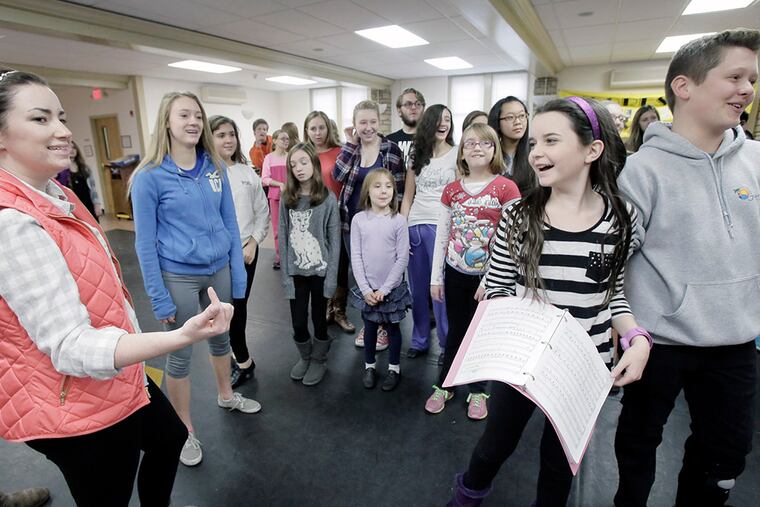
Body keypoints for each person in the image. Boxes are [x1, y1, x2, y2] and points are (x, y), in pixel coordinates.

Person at [0, 68, 235, 506]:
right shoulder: (13, 224)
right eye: (40, 119)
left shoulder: (57, 196)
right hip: (74, 405)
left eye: (62, 117)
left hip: (118, 377)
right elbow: (70, 344)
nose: (62, 130)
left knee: (168, 439)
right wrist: (180, 334)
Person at [446, 96, 652, 507]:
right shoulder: (518, 216)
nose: (536, 151)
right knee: (494, 445)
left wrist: (637, 338)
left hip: (584, 366)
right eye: (534, 142)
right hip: (523, 363)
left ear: (592, 150)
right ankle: (468, 494)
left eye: (551, 140)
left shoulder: (621, 219)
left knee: (559, 465)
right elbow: (500, 289)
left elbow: (613, 295)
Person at [614, 29, 760, 507]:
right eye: (735, 76)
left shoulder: (756, 160)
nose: (748, 90)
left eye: (753, 80)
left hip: (736, 341)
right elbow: (617, 259)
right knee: (637, 443)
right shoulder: (641, 170)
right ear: (684, 86)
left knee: (725, 456)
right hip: (659, 342)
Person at [130, 91, 261, 469]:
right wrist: (158, 297)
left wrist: (237, 279)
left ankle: (226, 395)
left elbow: (231, 227)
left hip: (218, 269)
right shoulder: (149, 177)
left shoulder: (213, 167)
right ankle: (184, 428)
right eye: (183, 115)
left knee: (222, 341)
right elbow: (144, 243)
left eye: (197, 116)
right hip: (178, 276)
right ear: (166, 123)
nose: (192, 122)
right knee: (181, 355)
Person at [427, 123, 521, 420]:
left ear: (494, 149)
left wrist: (491, 280)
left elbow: (510, 242)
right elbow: (443, 235)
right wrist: (435, 278)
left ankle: (479, 389)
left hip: (490, 279)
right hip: (455, 273)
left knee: (481, 336)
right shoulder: (452, 190)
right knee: (456, 331)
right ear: (462, 153)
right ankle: (446, 383)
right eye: (469, 143)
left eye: (484, 143)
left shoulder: (506, 188)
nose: (477, 147)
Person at [334, 99, 405, 349]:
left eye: (372, 121)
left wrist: (394, 221)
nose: (368, 127)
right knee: (361, 273)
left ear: (379, 122)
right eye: (362, 122)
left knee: (384, 273)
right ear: (354, 125)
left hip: (383, 225)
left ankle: (384, 326)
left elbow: (399, 187)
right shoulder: (352, 149)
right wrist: (350, 144)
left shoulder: (391, 149)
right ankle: (370, 322)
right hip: (352, 223)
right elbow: (338, 175)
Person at [210, 115, 270, 388]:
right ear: (210, 139)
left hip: (246, 252)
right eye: (221, 135)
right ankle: (238, 359)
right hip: (216, 256)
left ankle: (243, 361)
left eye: (231, 134)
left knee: (238, 308)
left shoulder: (247, 173)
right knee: (221, 311)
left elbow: (262, 212)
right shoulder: (206, 174)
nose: (227, 140)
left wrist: (255, 243)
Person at [279, 142, 340, 386]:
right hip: (296, 272)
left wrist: (331, 279)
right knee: (298, 321)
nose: (299, 168)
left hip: (320, 272)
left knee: (319, 319)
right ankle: (305, 355)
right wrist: (285, 277)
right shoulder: (288, 198)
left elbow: (334, 242)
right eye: (293, 164)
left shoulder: (327, 199)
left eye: (304, 162)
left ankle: (319, 358)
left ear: (314, 164)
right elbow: (283, 238)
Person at [400, 105, 456, 360]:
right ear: (429, 123)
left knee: (440, 289)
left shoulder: (457, 155)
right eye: (439, 119)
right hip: (415, 228)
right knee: (418, 289)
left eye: (448, 119)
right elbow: (408, 196)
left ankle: (446, 343)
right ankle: (420, 339)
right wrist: (402, 231)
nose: (444, 123)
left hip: (442, 228)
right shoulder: (416, 154)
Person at [349, 169, 411, 391]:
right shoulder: (359, 220)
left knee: (394, 329)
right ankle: (369, 366)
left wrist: (385, 288)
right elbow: (355, 255)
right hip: (369, 288)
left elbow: (402, 257)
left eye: (388, 186)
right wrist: (366, 289)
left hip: (391, 288)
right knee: (370, 328)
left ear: (394, 190)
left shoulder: (398, 221)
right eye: (377, 186)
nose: (383, 191)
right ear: (367, 191)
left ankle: (394, 368)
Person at [304, 110, 355, 334]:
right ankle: (325, 307)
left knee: (340, 266)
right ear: (306, 130)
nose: (317, 132)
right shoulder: (303, 154)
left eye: (321, 127)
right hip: (314, 218)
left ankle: (340, 311)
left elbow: (344, 181)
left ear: (328, 128)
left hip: (339, 218)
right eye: (313, 128)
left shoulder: (339, 152)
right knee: (320, 267)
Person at [487, 96, 535, 194]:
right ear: (497, 122)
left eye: (522, 116)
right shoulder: (488, 154)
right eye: (510, 117)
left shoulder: (534, 153)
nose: (518, 122)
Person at [262, 129, 291, 269]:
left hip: (291, 196)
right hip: (275, 197)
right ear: (274, 141)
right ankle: (280, 257)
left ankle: (291, 256)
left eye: (287, 139)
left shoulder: (291, 156)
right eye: (282, 138)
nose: (286, 141)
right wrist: (279, 184)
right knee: (278, 229)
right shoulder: (269, 158)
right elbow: (265, 179)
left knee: (292, 227)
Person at [56, 140, 104, 220]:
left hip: (88, 204)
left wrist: (97, 204)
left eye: (74, 147)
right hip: (74, 207)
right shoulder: (61, 170)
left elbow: (93, 189)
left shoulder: (85, 168)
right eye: (68, 148)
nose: (72, 150)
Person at [387, 88, 426, 167]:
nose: (413, 107)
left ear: (423, 108)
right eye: (408, 104)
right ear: (399, 111)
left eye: (418, 104)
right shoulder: (389, 141)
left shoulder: (431, 139)